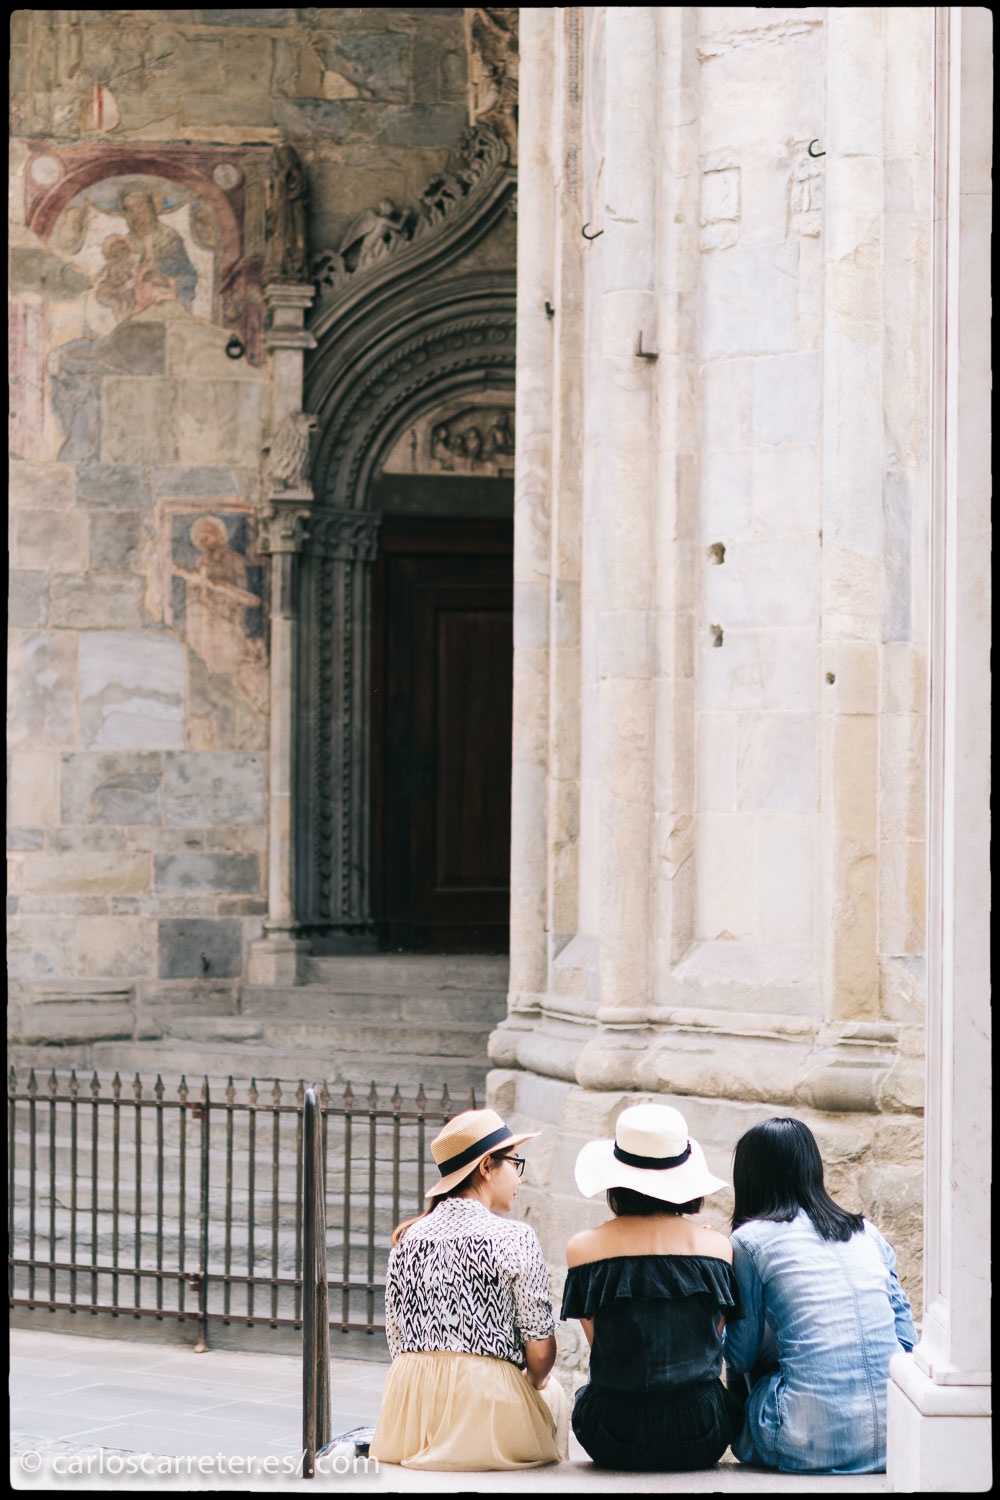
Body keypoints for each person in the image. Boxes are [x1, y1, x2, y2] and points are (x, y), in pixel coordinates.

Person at [370, 1107, 568, 1471]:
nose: (518, 1177)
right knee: (552, 1394)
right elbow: (541, 1351)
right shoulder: (515, 1237)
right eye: (515, 1163)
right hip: (484, 1405)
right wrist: (532, 1380)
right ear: (487, 1166)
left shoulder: (407, 1238)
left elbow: (397, 1340)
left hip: (409, 1408)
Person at [724, 1117, 917, 1475]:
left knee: (751, 1331)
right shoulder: (867, 1232)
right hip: (897, 1438)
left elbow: (740, 1355)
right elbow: (906, 1341)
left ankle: (745, 1432)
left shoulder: (749, 1241)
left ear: (748, 1178)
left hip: (804, 1445)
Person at [562, 1103, 744, 1471]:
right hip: (702, 1432)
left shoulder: (583, 1248)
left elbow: (602, 1345)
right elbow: (711, 1339)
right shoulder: (716, 1248)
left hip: (611, 1432)